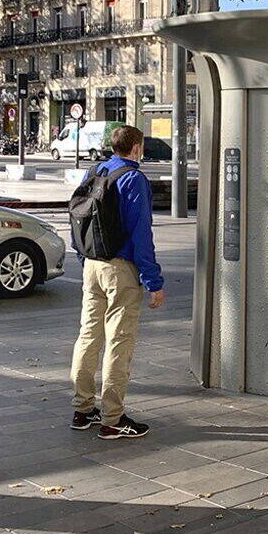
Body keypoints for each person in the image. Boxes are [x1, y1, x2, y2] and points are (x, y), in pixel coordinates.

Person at [69, 125, 163, 440]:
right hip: (120, 269)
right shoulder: (133, 179)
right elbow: (141, 235)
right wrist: (153, 280)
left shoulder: (95, 171)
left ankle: (83, 410)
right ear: (137, 147)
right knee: (119, 341)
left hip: (92, 265)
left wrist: (84, 259)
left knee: (88, 336)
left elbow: (78, 218)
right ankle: (112, 418)